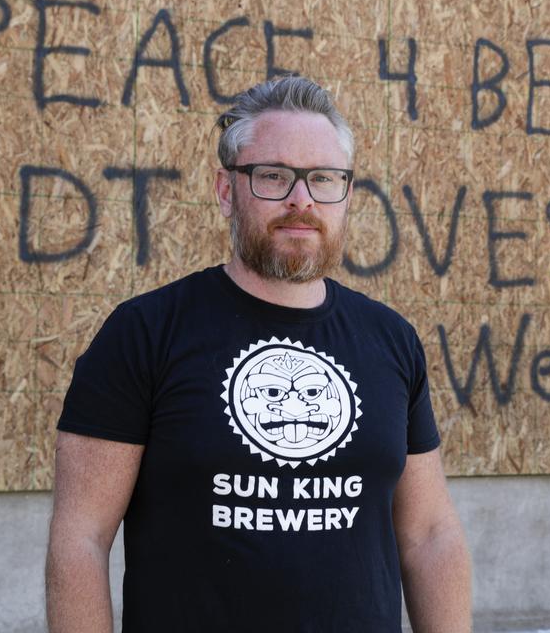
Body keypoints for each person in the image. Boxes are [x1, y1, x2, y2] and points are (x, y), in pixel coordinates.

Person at [45, 76, 472, 632]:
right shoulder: (145, 333)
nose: (302, 200)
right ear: (226, 190)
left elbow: (430, 534)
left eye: (323, 178)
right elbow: (81, 538)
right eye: (273, 176)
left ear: (346, 192)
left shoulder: (389, 340)